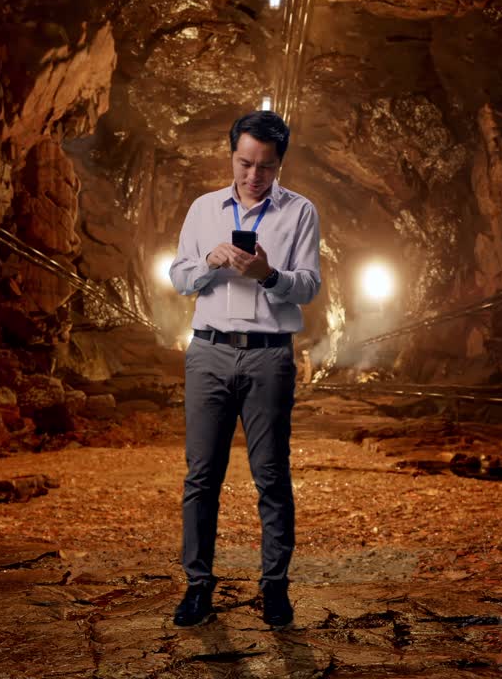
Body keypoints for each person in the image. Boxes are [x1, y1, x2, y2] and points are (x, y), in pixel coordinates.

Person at [167, 110, 322, 627]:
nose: (254, 175)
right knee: (201, 476)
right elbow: (179, 277)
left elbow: (309, 285)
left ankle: (275, 588)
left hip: (268, 355)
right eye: (245, 163)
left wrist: (268, 274)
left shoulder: (300, 212)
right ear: (231, 155)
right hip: (208, 352)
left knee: (271, 476)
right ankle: (197, 587)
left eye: (266, 166)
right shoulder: (203, 209)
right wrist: (209, 263)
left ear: (280, 164)